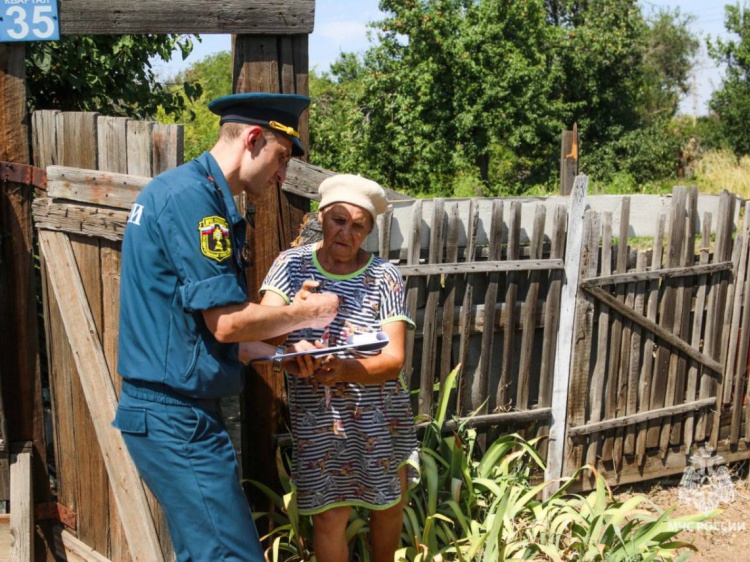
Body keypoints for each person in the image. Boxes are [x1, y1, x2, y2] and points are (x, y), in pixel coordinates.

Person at [113, 92, 339, 562]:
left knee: (206, 553)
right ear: (253, 139)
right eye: (281, 158)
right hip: (176, 418)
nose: (282, 176)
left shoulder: (185, 192)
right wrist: (309, 313)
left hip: (174, 414)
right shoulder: (195, 201)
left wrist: (280, 355)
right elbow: (228, 323)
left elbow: (195, 333)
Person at [259, 174, 420, 562]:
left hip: (379, 419)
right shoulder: (291, 265)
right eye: (338, 220)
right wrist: (293, 318)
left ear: (369, 231)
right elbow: (261, 333)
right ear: (321, 217)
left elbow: (394, 359)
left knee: (387, 505)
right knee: (329, 517)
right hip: (319, 420)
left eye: (358, 226)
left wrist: (345, 369)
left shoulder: (383, 276)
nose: (346, 233)